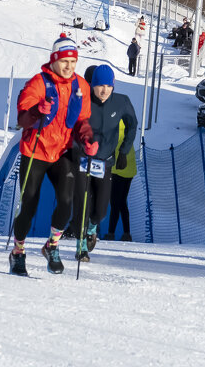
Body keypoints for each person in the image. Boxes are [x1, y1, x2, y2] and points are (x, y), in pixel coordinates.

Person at [9, 35, 96, 276]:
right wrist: (37, 111)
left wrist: (87, 138)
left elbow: (81, 121)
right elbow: (22, 120)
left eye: (73, 61)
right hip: (36, 149)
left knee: (67, 201)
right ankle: (18, 252)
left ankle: (52, 246)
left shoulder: (81, 87)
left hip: (63, 150)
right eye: (64, 61)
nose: (69, 66)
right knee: (29, 204)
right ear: (54, 60)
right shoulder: (38, 83)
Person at [73, 65, 138, 262]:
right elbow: (71, 124)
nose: (104, 90)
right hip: (83, 159)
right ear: (92, 85)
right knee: (83, 203)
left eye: (108, 86)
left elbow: (132, 124)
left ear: (113, 86)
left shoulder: (121, 102)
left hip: (105, 162)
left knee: (101, 210)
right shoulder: (83, 102)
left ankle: (93, 227)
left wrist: (124, 151)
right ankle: (81, 247)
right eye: (100, 85)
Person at [107, 107, 138, 241]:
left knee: (114, 202)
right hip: (129, 170)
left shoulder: (116, 131)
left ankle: (111, 233)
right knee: (122, 202)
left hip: (118, 170)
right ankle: (127, 233)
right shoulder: (127, 129)